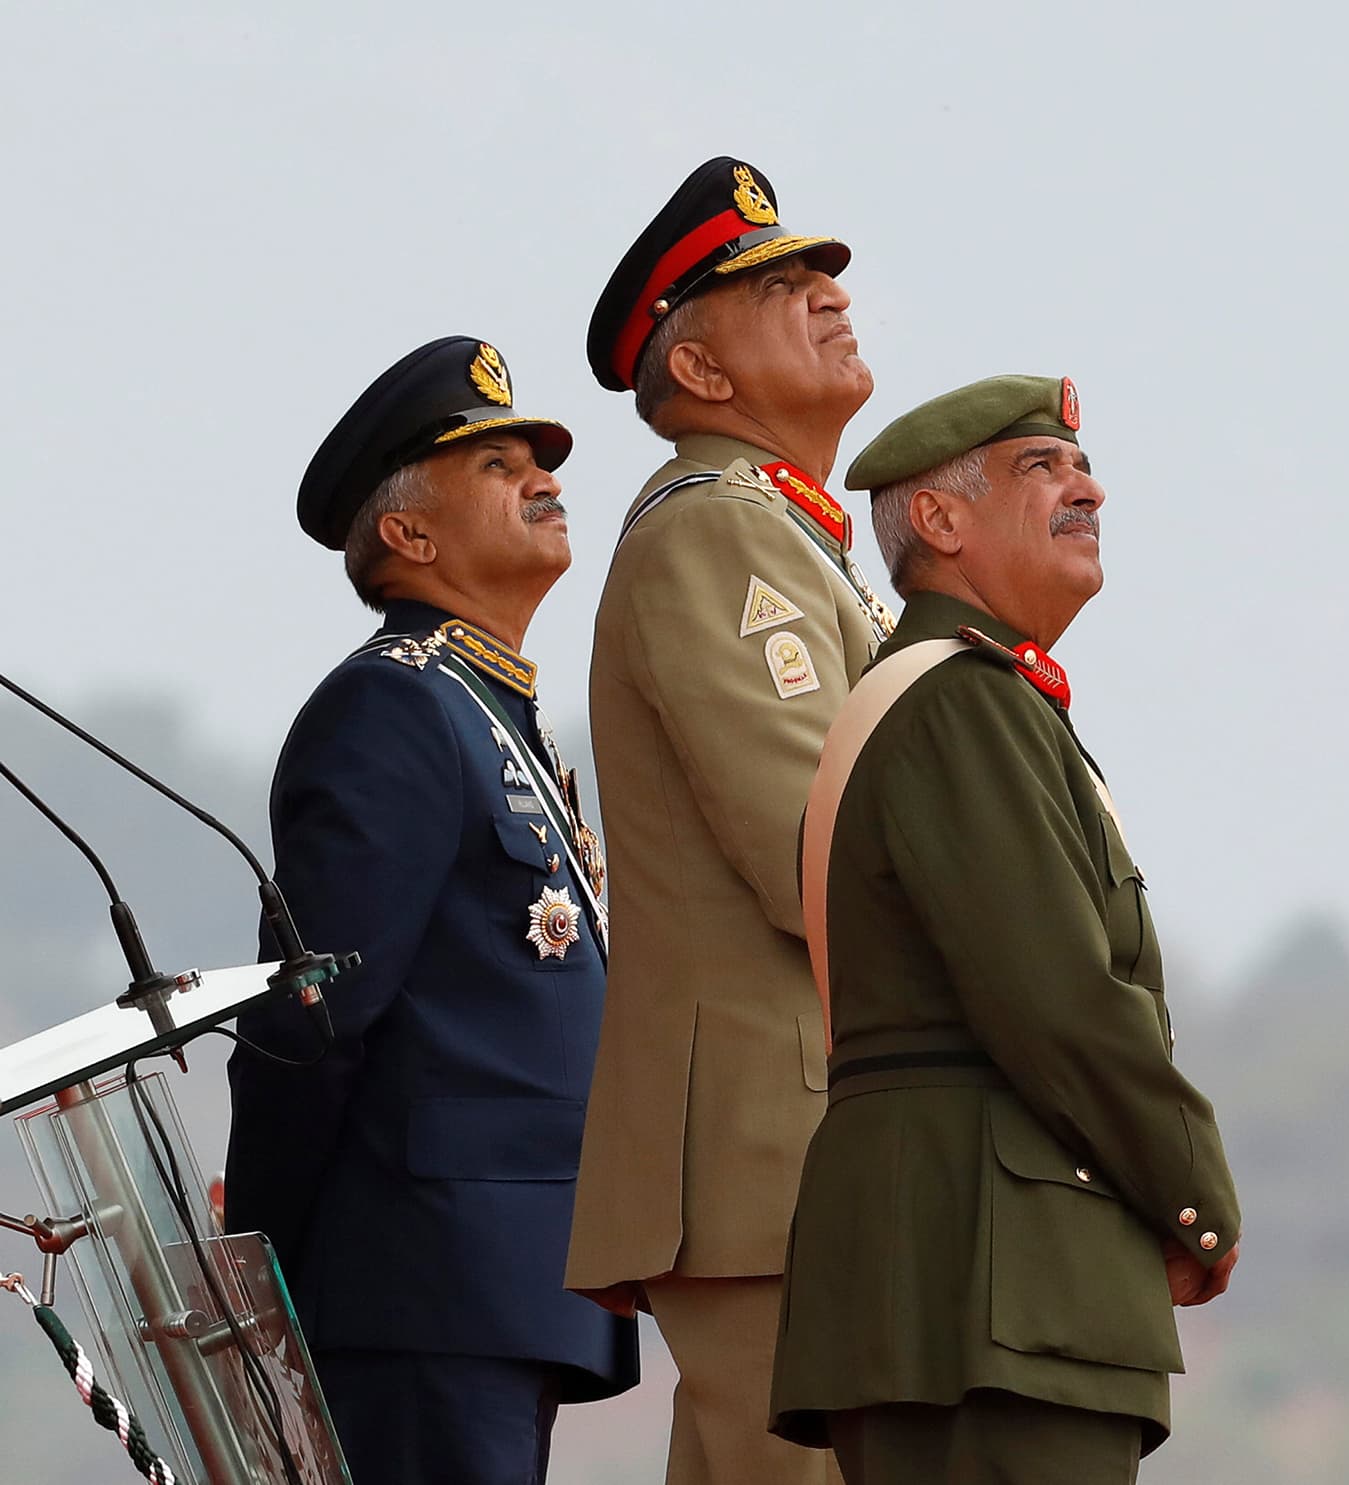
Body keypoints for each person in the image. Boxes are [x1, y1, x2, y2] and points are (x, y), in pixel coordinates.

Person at [769, 375, 1241, 1484]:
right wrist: (1194, 1192)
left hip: (961, 1277)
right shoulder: (963, 702)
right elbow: (1058, 1000)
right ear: (938, 522)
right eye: (1044, 468)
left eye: (1079, 467)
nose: (1089, 489)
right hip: (990, 1285)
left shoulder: (974, 697)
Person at [224, 336, 638, 1485]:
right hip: (424, 1283)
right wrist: (258, 1255)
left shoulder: (490, 713)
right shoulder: (390, 708)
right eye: (498, 467)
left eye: (539, 461)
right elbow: (315, 1019)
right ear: (408, 535)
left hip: (509, 1283)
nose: (544, 480)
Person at [565, 157, 893, 1485]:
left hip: (800, 1142)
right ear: (697, 374)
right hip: (776, 1146)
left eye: (823, 277)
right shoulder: (722, 532)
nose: (828, 299)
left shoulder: (789, 535)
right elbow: (812, 845)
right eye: (781, 289)